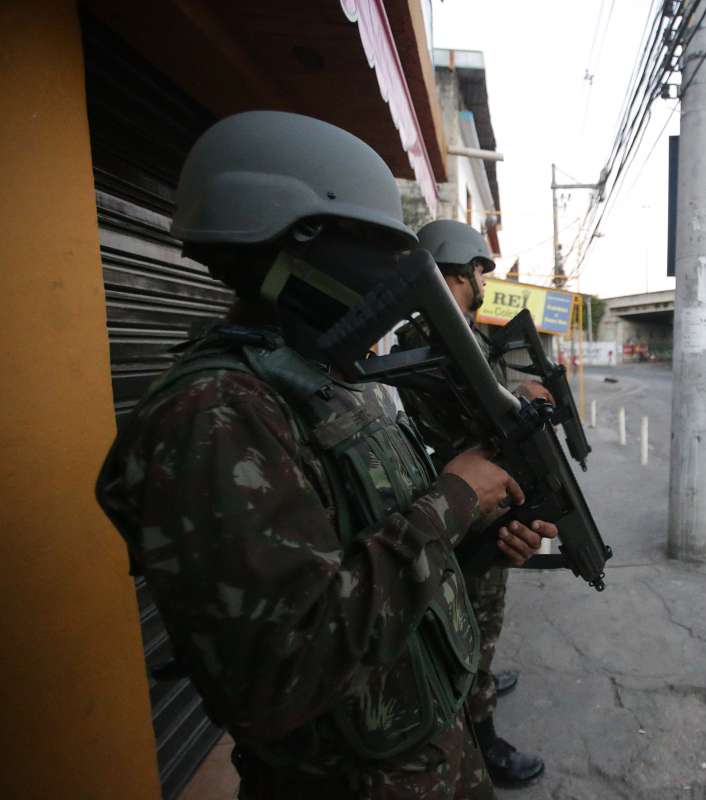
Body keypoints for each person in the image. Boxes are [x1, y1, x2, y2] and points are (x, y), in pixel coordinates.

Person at [95, 111, 558, 799]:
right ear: (295, 241)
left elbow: (371, 559)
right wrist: (453, 501)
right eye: (373, 248)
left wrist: (478, 533)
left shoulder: (330, 379)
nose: (393, 275)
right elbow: (281, 669)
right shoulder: (214, 416)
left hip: (424, 750)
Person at [392, 219, 550, 788]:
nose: (484, 279)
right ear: (459, 269)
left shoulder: (455, 334)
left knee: (483, 617)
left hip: (470, 499)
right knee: (472, 622)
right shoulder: (429, 343)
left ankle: (478, 679)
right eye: (480, 269)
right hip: (458, 505)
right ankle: (482, 738)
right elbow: (470, 417)